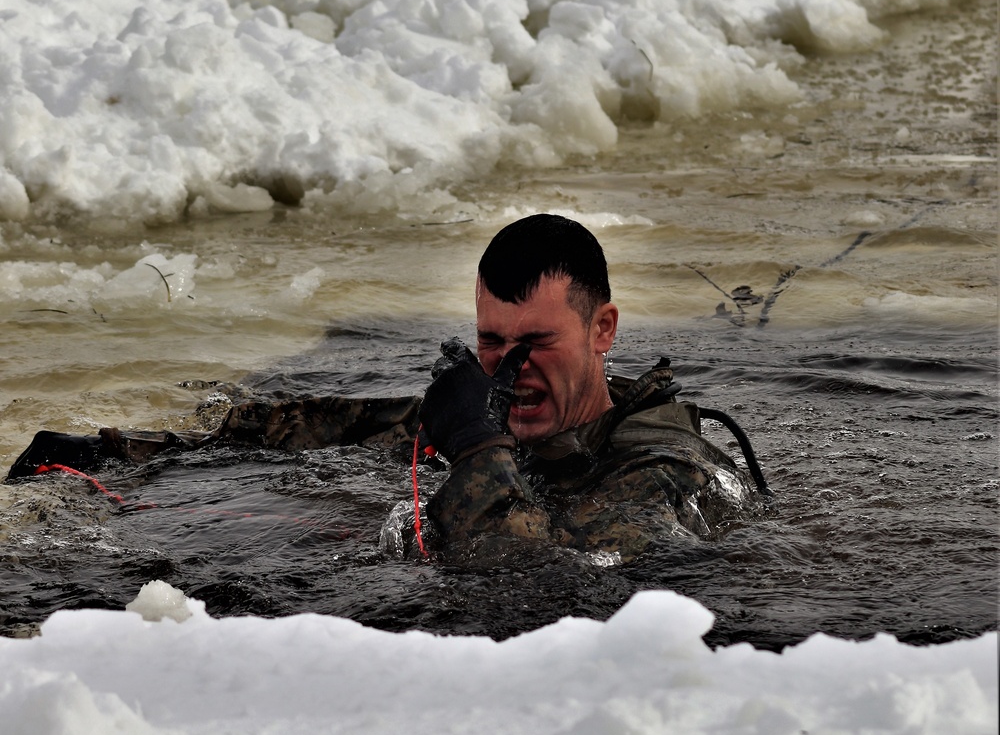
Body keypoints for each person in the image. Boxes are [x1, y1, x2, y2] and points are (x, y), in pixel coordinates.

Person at [7, 215, 766, 559]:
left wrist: (475, 446)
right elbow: (337, 427)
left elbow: (537, 570)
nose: (509, 367)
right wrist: (122, 449)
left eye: (537, 343)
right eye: (491, 343)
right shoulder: (505, 408)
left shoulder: (664, 468)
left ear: (603, 330)